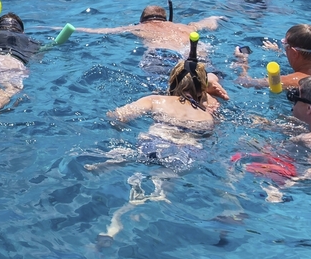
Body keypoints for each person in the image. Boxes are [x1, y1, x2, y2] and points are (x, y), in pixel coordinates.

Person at [87, 53, 231, 240]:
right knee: (164, 182)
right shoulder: (207, 116)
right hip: (188, 153)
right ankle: (122, 219)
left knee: (130, 155)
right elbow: (211, 139)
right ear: (202, 89)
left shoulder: (156, 100)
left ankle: (114, 161)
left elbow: (118, 116)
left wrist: (115, 123)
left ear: (172, 82)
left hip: (155, 143)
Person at [234, 76, 311, 203]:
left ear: (309, 108)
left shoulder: (310, 140)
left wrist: (284, 187)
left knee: (243, 149)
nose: (292, 102)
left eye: (295, 97)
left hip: (298, 177)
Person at [74, 4, 223, 70]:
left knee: (164, 90)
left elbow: (100, 31)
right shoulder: (186, 27)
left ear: (142, 20)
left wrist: (65, 29)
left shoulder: (138, 28)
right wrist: (216, 17)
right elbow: (209, 23)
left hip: (164, 54)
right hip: (194, 51)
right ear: (166, 20)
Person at [234, 23, 311, 90]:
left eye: (285, 46)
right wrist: (280, 51)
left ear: (294, 53)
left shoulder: (288, 81)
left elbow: (243, 82)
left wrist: (243, 63)